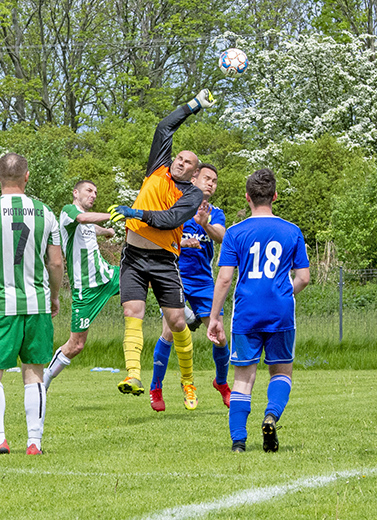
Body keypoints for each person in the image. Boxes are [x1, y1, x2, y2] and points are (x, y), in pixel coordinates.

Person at [109, 89, 215, 410]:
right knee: (132, 313)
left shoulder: (192, 195)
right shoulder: (158, 167)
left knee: (178, 323)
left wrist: (135, 213)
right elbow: (164, 128)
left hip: (164, 261)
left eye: (187, 162)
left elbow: (171, 220)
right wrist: (194, 105)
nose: (180, 163)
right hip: (134, 257)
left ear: (194, 173)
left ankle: (188, 383)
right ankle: (132, 375)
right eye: (179, 158)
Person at [207, 168, 310, 453]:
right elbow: (303, 278)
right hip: (281, 312)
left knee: (242, 379)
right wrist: (286, 291)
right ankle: (271, 415)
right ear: (274, 196)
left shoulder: (235, 233)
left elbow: (225, 278)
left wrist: (214, 317)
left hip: (246, 313)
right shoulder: (292, 231)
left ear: (247, 197)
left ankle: (239, 442)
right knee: (281, 371)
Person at [0, 152, 63, 455]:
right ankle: (34, 443)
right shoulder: (46, 212)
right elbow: (56, 263)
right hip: (37, 303)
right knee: (34, 372)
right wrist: (55, 296)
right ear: (27, 176)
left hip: (0, 305)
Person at [149, 163, 231, 412]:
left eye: (215, 181)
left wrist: (204, 223)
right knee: (170, 333)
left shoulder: (215, 212)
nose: (211, 183)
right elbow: (160, 235)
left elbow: (222, 236)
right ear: (194, 178)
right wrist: (183, 241)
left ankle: (222, 383)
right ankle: (156, 387)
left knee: (219, 336)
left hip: (204, 281)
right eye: (207, 178)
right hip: (175, 277)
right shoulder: (178, 204)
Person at [43, 180, 119, 390]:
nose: (93, 194)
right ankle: (44, 380)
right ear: (75, 192)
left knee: (144, 277)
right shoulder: (69, 212)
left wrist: (106, 231)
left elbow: (90, 227)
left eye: (96, 192)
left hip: (107, 276)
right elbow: (83, 219)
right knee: (76, 345)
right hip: (85, 289)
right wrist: (116, 213)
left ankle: (184, 316)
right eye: (89, 190)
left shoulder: (85, 224)